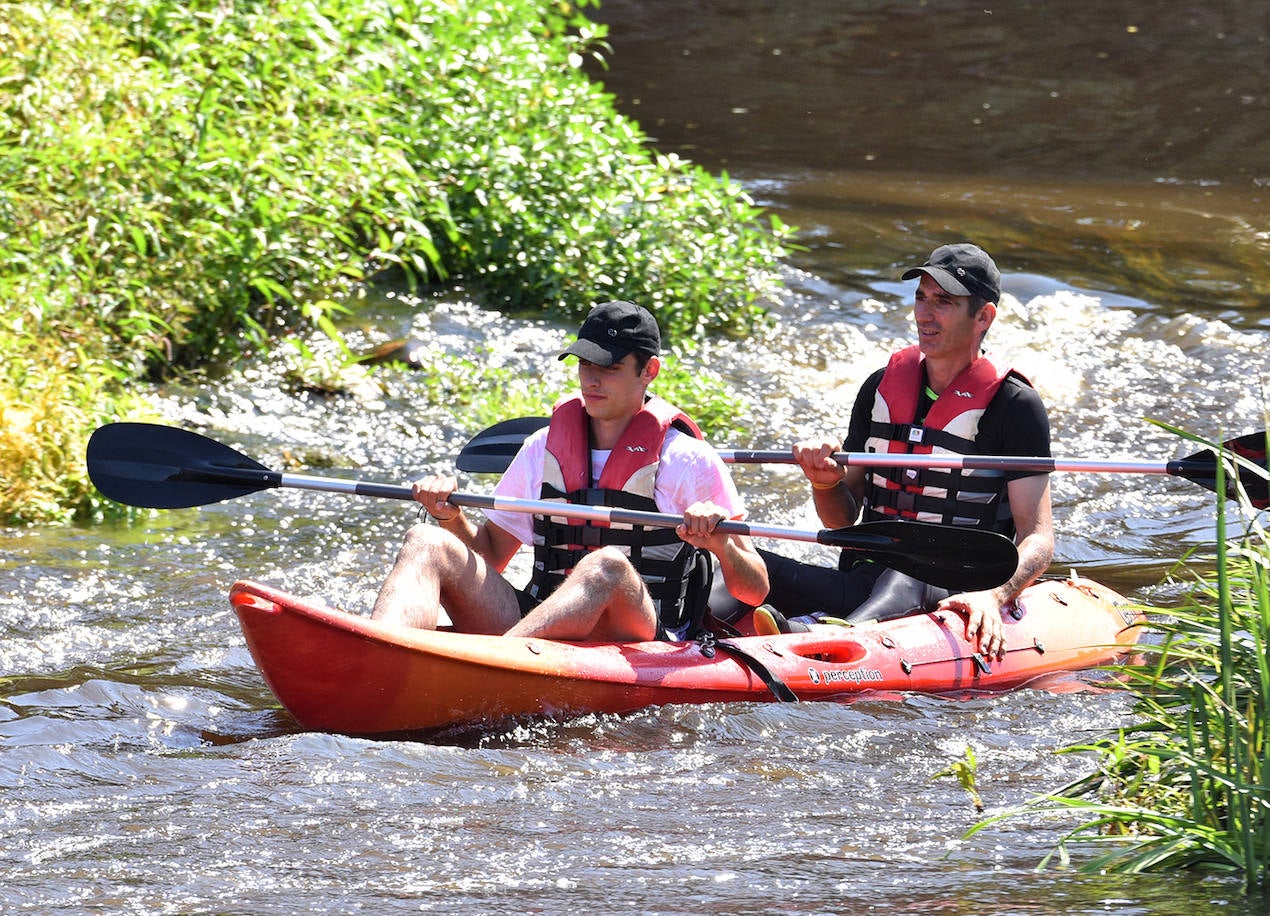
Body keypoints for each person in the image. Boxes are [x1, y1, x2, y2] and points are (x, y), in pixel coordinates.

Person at [712, 243, 1054, 659]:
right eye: (921, 298)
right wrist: (825, 484)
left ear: (983, 316)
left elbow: (1038, 537)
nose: (924, 315)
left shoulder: (1015, 405)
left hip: (950, 586)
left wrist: (994, 595)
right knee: (734, 556)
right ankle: (683, 630)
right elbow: (841, 518)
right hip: (862, 580)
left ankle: (819, 639)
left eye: (943, 302)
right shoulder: (880, 387)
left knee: (905, 576)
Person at [371, 300, 769, 643]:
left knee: (606, 565)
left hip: (640, 641)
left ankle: (498, 667)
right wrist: (450, 518)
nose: (591, 379)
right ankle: (381, 657)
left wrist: (720, 543)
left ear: (649, 370)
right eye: (584, 363)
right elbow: (490, 556)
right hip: (535, 626)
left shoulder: (688, 459)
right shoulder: (542, 447)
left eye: (609, 367)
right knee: (426, 541)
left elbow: (754, 589)